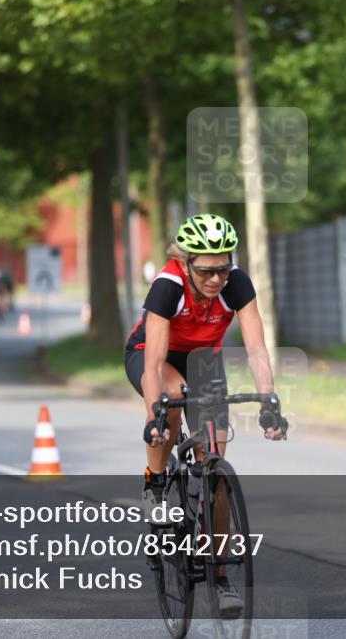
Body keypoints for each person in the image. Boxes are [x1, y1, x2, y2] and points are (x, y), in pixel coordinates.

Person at [123, 214, 285, 616]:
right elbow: (156, 359)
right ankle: (156, 482)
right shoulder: (168, 286)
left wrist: (269, 401)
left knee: (216, 462)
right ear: (185, 261)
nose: (216, 279)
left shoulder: (237, 284)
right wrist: (153, 417)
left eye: (223, 269)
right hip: (152, 357)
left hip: (204, 361)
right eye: (207, 271)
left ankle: (221, 574)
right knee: (174, 397)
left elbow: (257, 348)